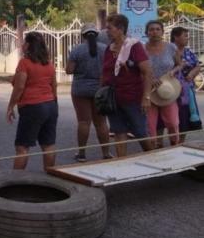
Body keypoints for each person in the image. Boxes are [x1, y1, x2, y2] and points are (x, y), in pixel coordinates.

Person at [101, 14, 153, 157]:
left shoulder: (134, 46)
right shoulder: (108, 49)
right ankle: (121, 163)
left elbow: (147, 72)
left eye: (109, 28)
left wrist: (146, 97)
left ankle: (153, 157)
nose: (107, 31)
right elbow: (104, 73)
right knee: (118, 131)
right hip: (113, 99)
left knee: (140, 132)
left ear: (120, 29)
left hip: (133, 97)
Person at [6, 32, 58, 170]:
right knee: (48, 145)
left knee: (22, 147)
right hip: (51, 105)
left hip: (32, 107)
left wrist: (10, 106)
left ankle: (16, 182)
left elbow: (19, 87)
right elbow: (54, 86)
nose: (22, 45)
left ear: (28, 45)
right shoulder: (49, 64)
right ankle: (50, 178)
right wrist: (54, 104)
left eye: (24, 43)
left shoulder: (24, 63)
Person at [66, 24, 112, 161]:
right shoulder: (105, 49)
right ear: (97, 35)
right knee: (101, 123)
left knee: (83, 122)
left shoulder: (77, 50)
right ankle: (106, 153)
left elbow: (69, 70)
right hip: (100, 90)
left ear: (83, 35)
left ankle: (81, 154)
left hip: (80, 90)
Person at [144, 20, 182, 147]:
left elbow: (180, 64)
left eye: (157, 29)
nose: (154, 32)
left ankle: (174, 146)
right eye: (151, 29)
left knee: (172, 122)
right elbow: (137, 69)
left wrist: (174, 71)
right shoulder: (142, 49)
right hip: (149, 91)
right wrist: (150, 78)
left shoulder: (171, 47)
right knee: (150, 125)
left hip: (168, 90)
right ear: (146, 32)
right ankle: (152, 151)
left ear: (162, 31)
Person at [171, 26, 202, 143]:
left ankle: (180, 143)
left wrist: (192, 73)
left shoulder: (189, 51)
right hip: (171, 90)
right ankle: (171, 143)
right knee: (173, 119)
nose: (187, 38)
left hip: (187, 90)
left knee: (185, 118)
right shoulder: (169, 50)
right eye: (185, 36)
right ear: (176, 37)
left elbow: (197, 66)